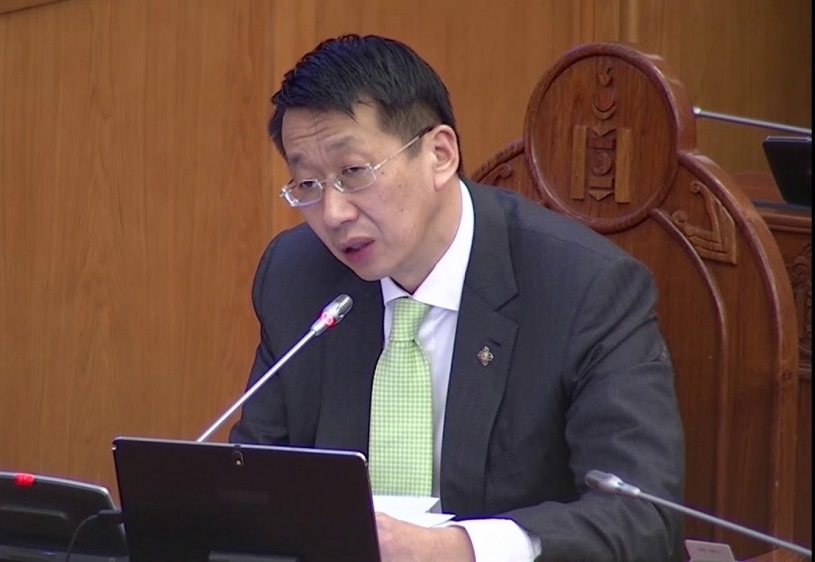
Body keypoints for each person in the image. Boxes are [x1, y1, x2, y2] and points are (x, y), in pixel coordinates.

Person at [229, 34, 685, 562]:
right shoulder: (296, 276)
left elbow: (642, 518)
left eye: (353, 173)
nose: (332, 214)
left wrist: (455, 549)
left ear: (440, 155)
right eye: (307, 185)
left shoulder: (585, 289)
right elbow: (255, 484)